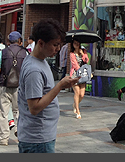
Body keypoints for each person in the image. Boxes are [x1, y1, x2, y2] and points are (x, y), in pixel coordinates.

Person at [17, 18, 81, 153]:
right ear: (41, 43)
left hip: (41, 136)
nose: (58, 49)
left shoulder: (41, 61)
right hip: (37, 140)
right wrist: (59, 86)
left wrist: (63, 85)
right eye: (55, 45)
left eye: (60, 45)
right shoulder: (34, 70)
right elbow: (34, 108)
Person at [0, 31, 28, 145]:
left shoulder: (3, 52)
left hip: (4, 85)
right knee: (20, 111)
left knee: (2, 112)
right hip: (20, 87)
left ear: (8, 42)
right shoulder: (25, 53)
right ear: (20, 41)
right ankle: (20, 133)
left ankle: (3, 138)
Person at [69, 38, 89, 119]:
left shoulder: (83, 51)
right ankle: (78, 111)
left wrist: (83, 54)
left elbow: (86, 61)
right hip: (75, 74)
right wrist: (80, 70)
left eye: (77, 43)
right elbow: (75, 64)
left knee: (82, 94)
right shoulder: (72, 54)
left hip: (83, 74)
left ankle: (75, 104)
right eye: (74, 43)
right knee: (77, 92)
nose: (76, 45)